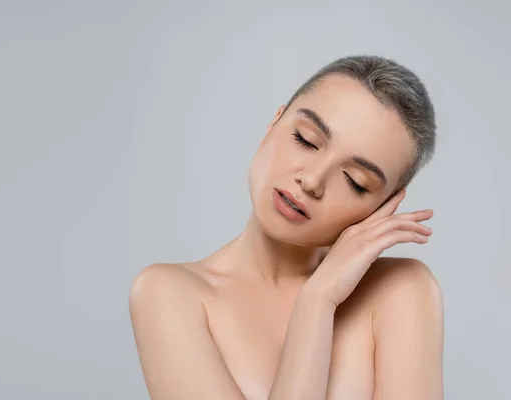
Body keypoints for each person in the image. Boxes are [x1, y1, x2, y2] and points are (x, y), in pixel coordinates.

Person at [129, 55, 444, 400]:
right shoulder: (169, 294)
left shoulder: (400, 291)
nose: (311, 180)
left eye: (356, 181)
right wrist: (317, 302)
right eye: (306, 139)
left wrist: (318, 296)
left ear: (383, 207)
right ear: (274, 122)